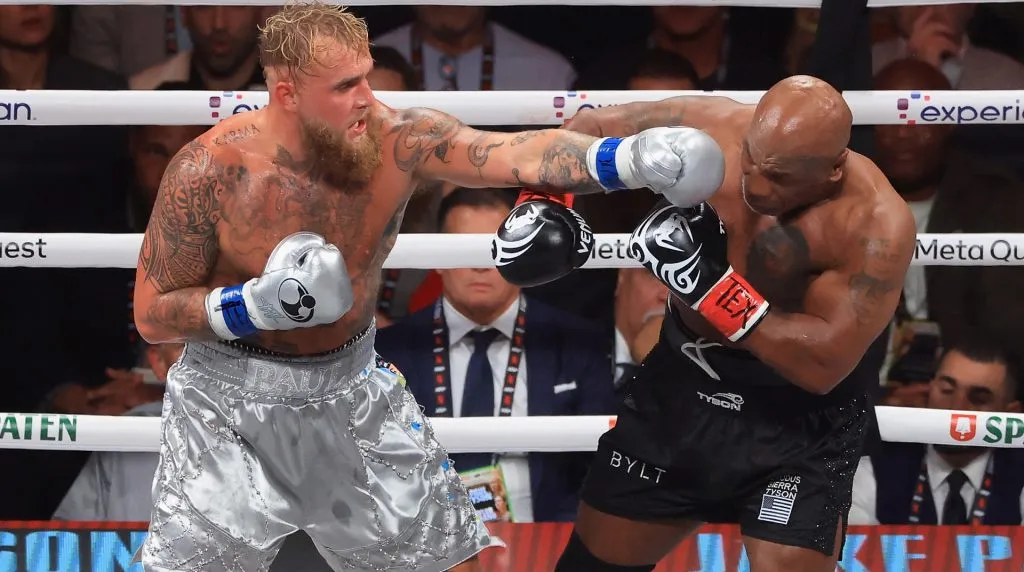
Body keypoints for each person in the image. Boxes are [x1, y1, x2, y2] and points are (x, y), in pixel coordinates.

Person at [129, 3, 725, 571]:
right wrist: (258, 304)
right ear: (286, 92)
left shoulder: (395, 140)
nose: (366, 97)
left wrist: (623, 159)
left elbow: (511, 153)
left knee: (448, 560)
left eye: (364, 77)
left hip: (349, 383)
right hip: (229, 401)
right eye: (343, 87)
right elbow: (153, 313)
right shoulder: (210, 170)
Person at [495, 75, 916, 572]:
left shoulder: (874, 223)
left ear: (833, 169)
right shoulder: (717, 127)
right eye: (754, 162)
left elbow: (822, 364)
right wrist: (541, 202)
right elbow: (591, 126)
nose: (756, 185)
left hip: (796, 420)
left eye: (779, 177)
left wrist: (707, 288)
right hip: (684, 387)